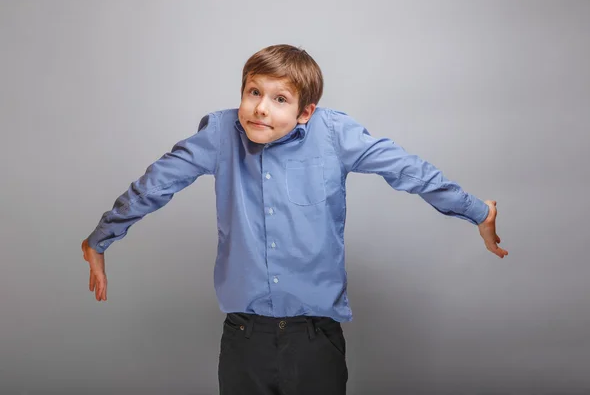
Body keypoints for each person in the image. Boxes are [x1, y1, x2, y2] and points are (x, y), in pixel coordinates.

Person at [81, 44, 508, 395]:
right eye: (253, 92)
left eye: (279, 99)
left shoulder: (335, 134)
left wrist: (477, 212)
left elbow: (409, 171)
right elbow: (155, 184)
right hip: (243, 338)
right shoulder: (219, 134)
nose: (260, 108)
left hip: (315, 339)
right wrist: (100, 240)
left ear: (306, 112)